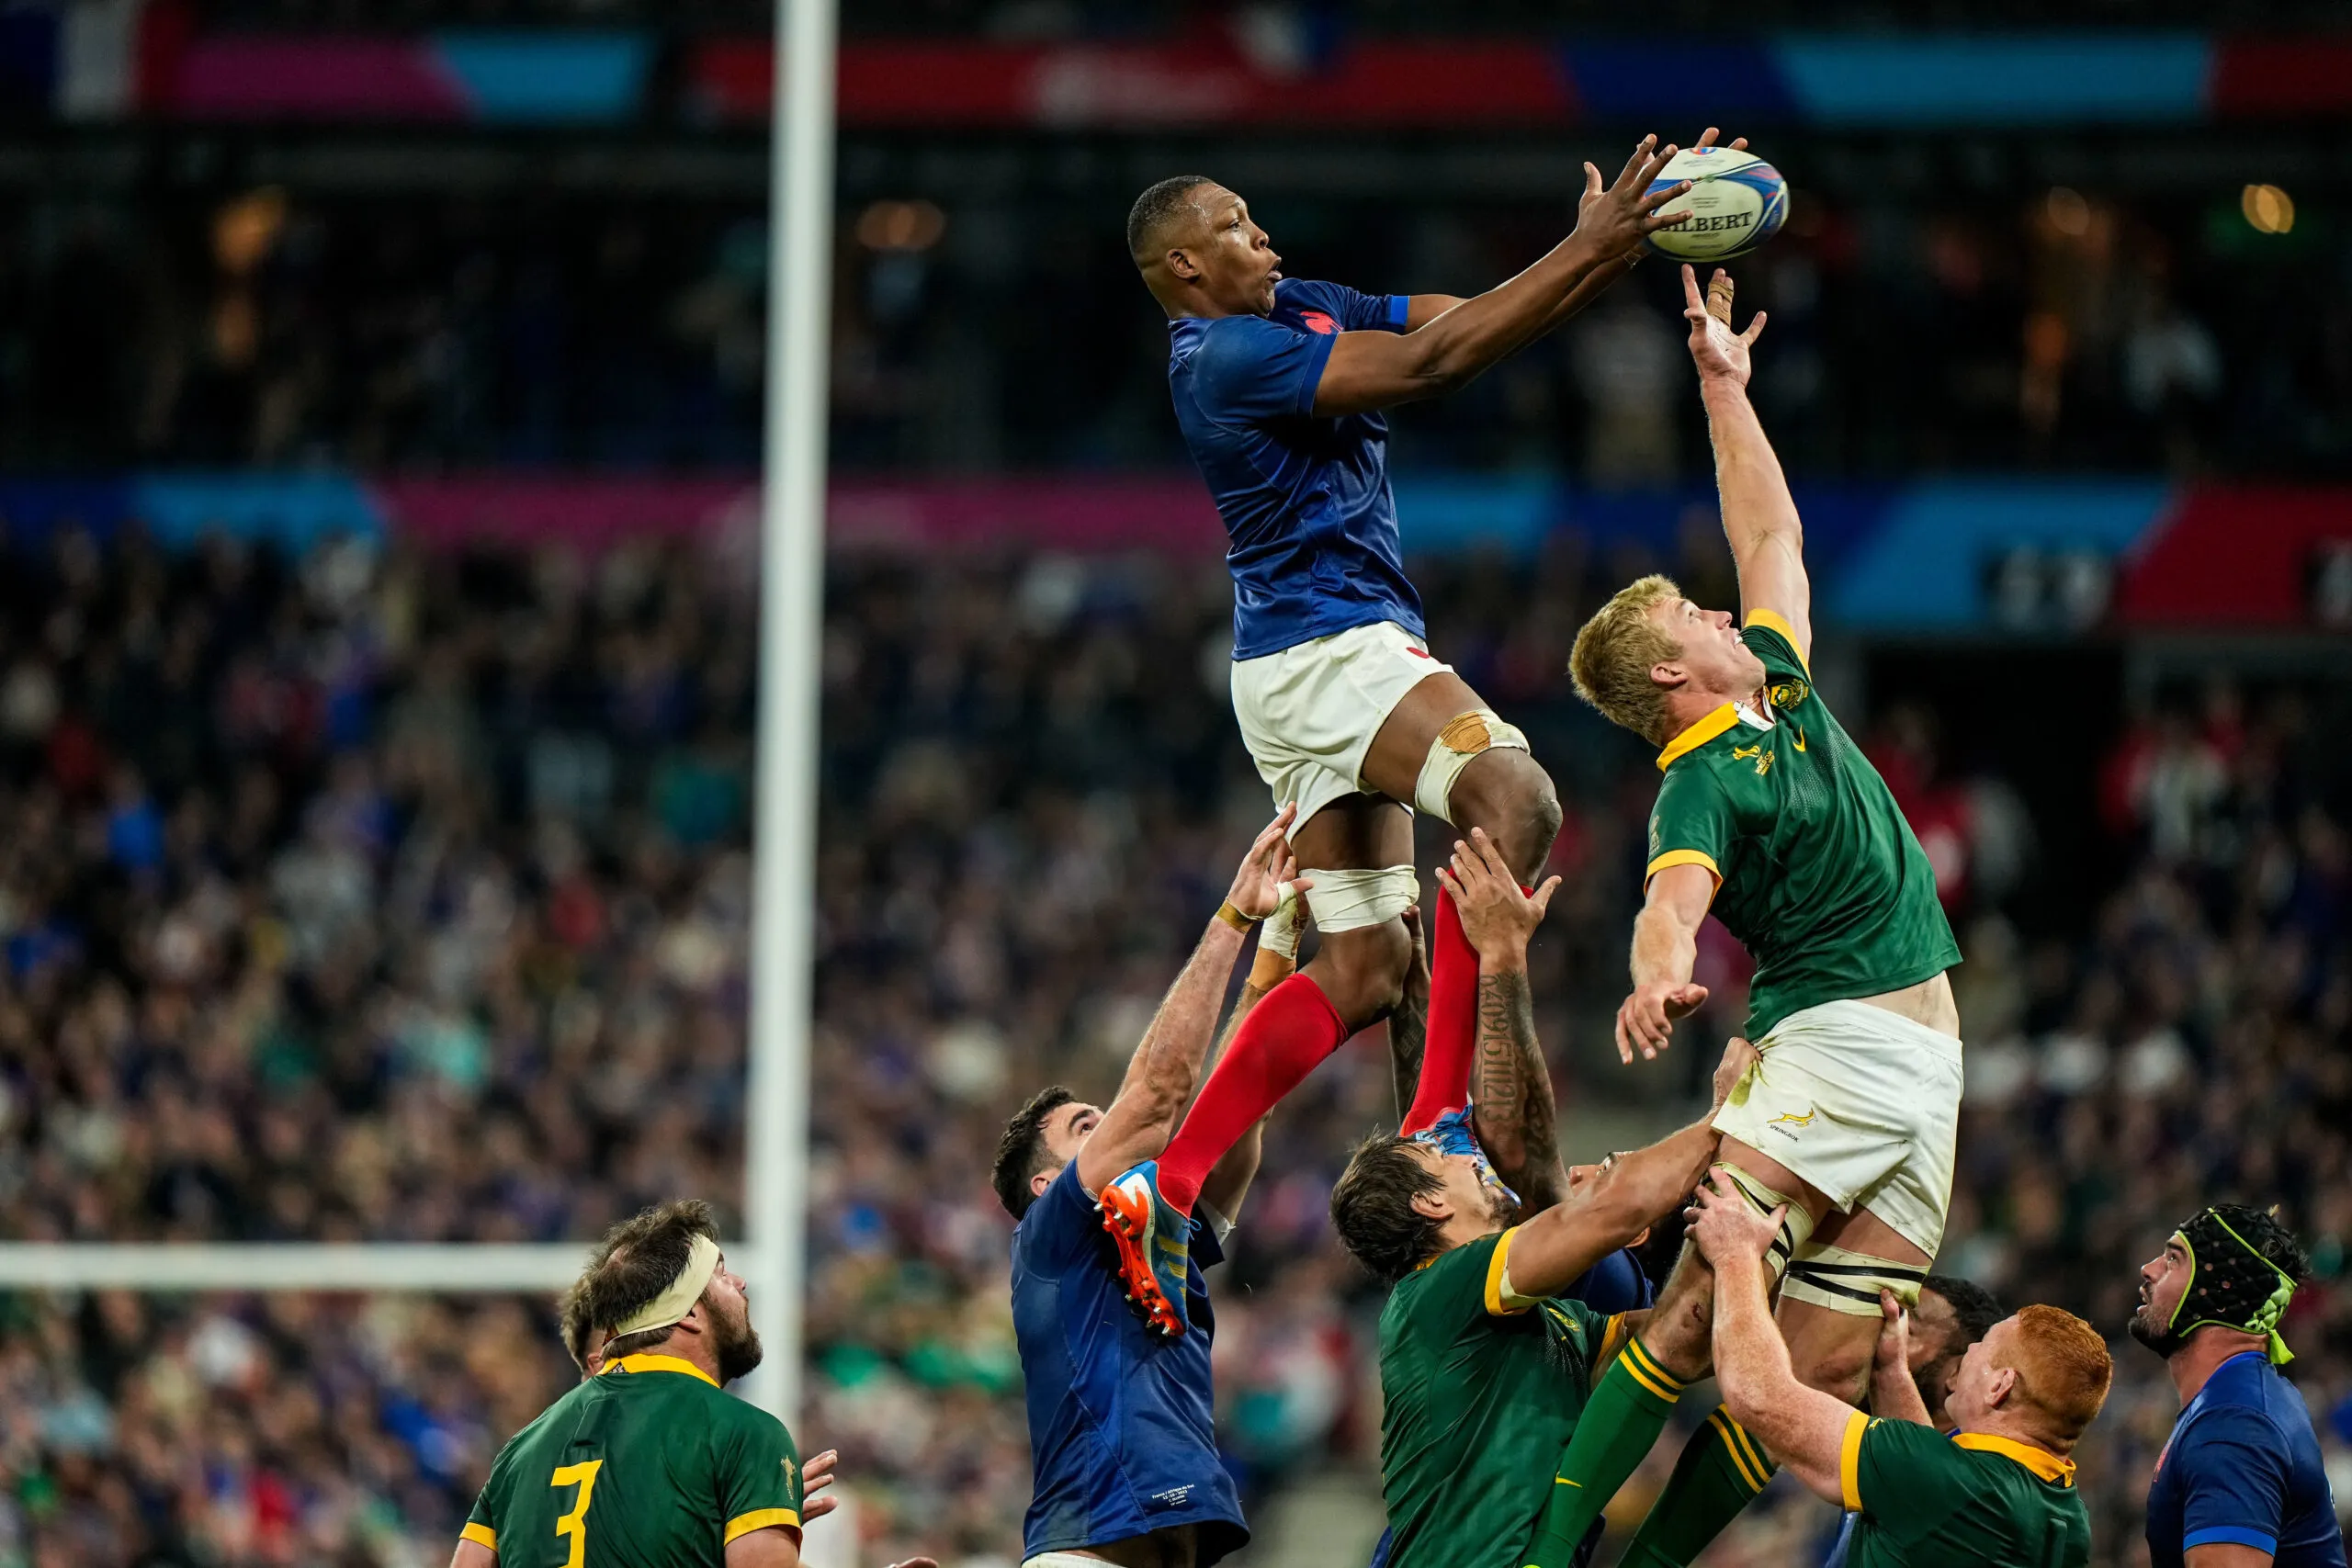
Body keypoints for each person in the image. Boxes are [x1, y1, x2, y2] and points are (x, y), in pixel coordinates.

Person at [1100, 130, 1727, 1336]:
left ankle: (1165, 1183)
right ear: (1182, 268)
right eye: (1233, 225)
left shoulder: (1292, 305)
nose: (1261, 235)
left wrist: (1601, 253)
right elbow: (1437, 361)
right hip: (1333, 650)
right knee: (1519, 799)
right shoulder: (1224, 356)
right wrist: (1589, 250)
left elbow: (1454, 316)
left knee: (1368, 965)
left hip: (1302, 667)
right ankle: (1443, 1125)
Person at [1561, 264, 1966, 1562]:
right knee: (1691, 1314)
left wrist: (1723, 386)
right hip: (1838, 1041)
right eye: (1693, 614)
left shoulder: (1777, 686)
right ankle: (1543, 1542)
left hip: (1931, 1064)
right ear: (1675, 672)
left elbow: (1770, 535)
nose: (1722, 605)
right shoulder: (1699, 787)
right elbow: (1669, 905)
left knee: (1825, 1358)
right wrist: (1658, 971)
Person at [1329, 832, 1756, 1568]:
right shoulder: (1447, 1290)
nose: (1464, 1151)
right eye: (1444, 1156)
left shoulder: (1556, 1307)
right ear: (1430, 1207)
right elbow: (1574, 1189)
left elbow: (1670, 1337)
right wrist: (1729, 1118)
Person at [988, 810, 1306, 1568]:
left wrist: (1281, 939)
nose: (1109, 1134)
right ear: (1046, 1182)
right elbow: (1164, 1090)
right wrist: (1235, 914)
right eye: (1084, 1128)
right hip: (1087, 1549)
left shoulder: (1157, 1234)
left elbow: (1233, 1115)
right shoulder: (1056, 1236)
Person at [1688, 1172, 2111, 1568]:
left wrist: (1736, 1256)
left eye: (1983, 1346)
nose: (1971, 1354)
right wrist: (1892, 1373)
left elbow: (1759, 1396)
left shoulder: (1949, 1483)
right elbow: (1931, 1501)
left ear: (2000, 1386)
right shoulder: (2068, 1518)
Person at [454, 1201, 835, 1568]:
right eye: (719, 1273)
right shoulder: (745, 1434)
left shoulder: (517, 1454)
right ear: (687, 1312)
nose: (740, 1281)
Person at [2131, 1205, 2346, 1568]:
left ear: (2216, 1292)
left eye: (2172, 1260)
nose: (2148, 1269)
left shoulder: (2234, 1425)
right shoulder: (2242, 1398)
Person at [1822, 1274, 2007, 1567]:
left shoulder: (1964, 1480)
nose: (1886, 1331)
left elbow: (1760, 1401)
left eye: (1908, 1326)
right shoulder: (1881, 1445)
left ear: (1959, 1374)